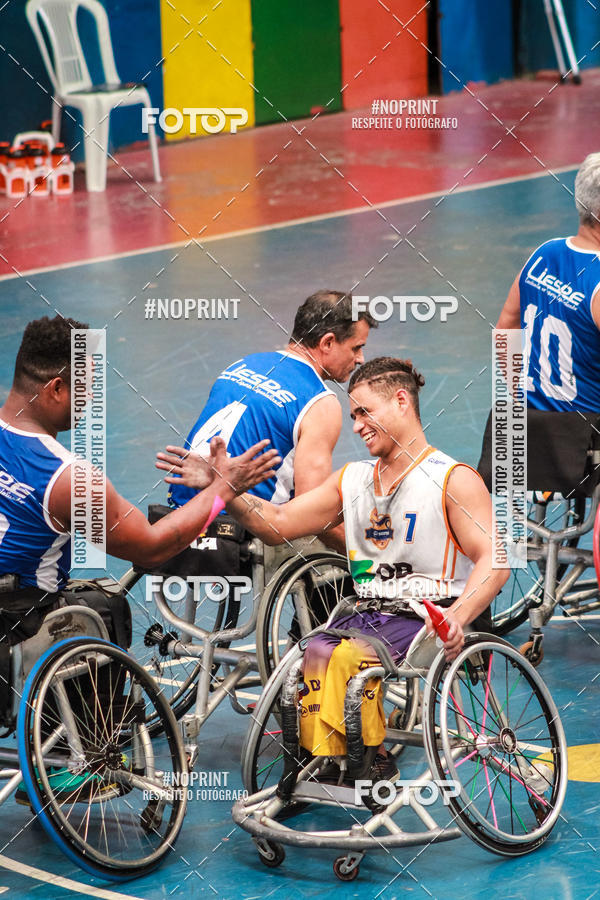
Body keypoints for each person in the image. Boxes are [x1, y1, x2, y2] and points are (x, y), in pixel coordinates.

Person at [158, 357, 508, 782]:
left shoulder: (453, 478)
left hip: (428, 613)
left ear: (401, 401)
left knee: (344, 658)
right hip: (367, 612)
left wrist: (458, 617)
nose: (357, 425)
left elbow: (495, 559)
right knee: (307, 657)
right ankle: (322, 760)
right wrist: (226, 491)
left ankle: (371, 761)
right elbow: (279, 524)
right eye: (353, 414)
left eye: (365, 412)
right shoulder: (353, 478)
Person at [0, 315, 279, 656]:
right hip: (20, 622)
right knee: (107, 608)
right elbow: (151, 548)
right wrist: (223, 488)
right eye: (84, 385)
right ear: (57, 389)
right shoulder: (67, 479)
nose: (89, 397)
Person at [166, 290, 375, 551]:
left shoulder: (243, 364)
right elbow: (312, 510)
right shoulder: (320, 402)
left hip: (179, 513)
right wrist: (370, 556)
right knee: (340, 547)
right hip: (241, 526)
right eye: (356, 348)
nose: (360, 359)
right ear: (328, 342)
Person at [496, 152, 600, 411]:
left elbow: (506, 326)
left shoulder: (543, 253)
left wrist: (522, 396)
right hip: (586, 438)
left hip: (536, 428)